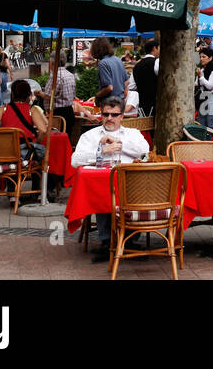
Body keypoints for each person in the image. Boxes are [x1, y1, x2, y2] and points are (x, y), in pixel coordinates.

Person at [71, 96, 152, 263]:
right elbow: (75, 160)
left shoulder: (133, 133)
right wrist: (101, 153)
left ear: (122, 116)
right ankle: (107, 241)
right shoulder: (90, 136)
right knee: (102, 191)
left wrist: (120, 143)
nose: (109, 118)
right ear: (100, 114)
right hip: (102, 184)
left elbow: (145, 154)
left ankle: (130, 240)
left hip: (132, 184)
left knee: (133, 190)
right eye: (105, 114)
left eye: (114, 115)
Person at [0, 79, 50, 161]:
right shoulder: (32, 109)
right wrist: (37, 143)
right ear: (28, 94)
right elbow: (43, 130)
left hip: (4, 152)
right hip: (24, 153)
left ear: (12, 94)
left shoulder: (4, 108)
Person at [92, 37, 127, 104]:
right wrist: (123, 97)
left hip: (110, 102)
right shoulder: (117, 59)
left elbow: (109, 88)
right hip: (120, 100)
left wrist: (97, 95)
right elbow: (127, 82)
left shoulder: (103, 63)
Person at [133, 38, 160, 116]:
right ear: (155, 48)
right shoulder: (156, 62)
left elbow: (132, 86)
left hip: (142, 106)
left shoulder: (136, 66)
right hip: (156, 105)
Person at [197, 47, 213, 131]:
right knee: (201, 123)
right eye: (200, 57)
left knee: (211, 124)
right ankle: (203, 143)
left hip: (212, 97)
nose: (201, 59)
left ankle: (211, 143)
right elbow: (197, 83)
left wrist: (201, 77)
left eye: (204, 57)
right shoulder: (203, 69)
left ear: (210, 58)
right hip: (204, 97)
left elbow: (210, 86)